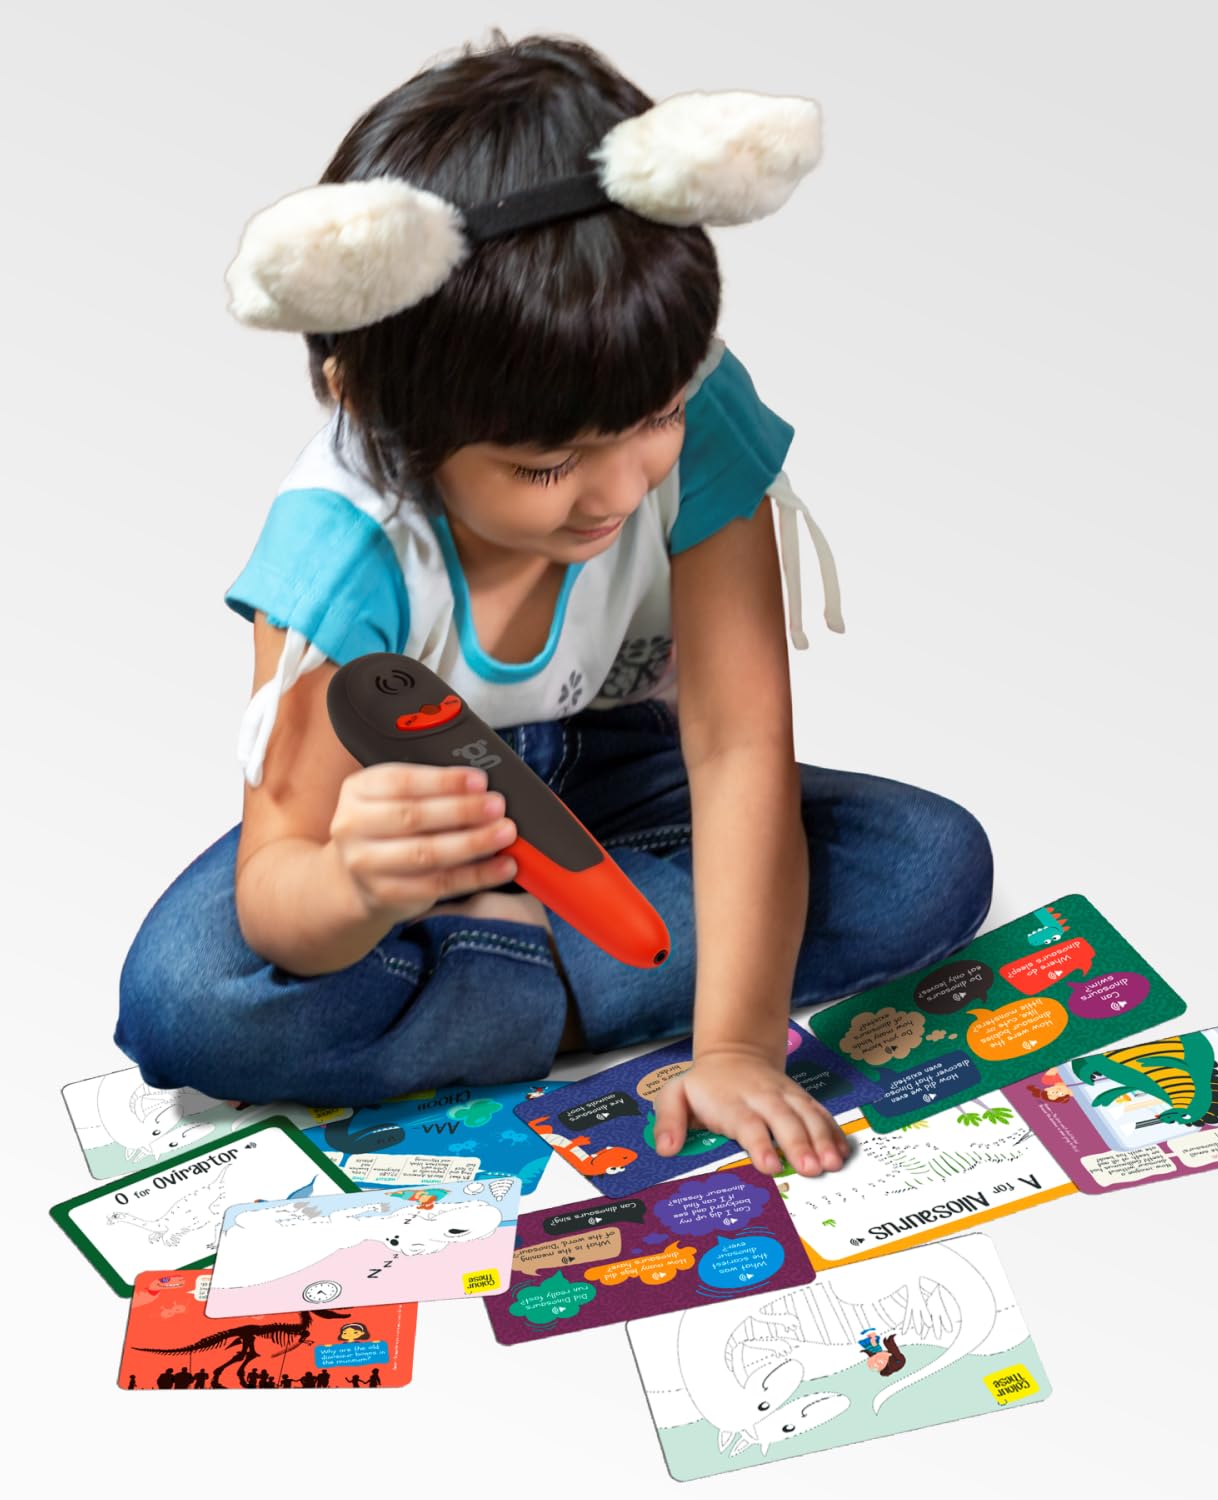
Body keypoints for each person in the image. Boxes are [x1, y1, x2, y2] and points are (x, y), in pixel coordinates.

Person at [114, 29, 993, 1183]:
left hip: (631, 780)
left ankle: (466, 986)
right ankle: (556, 960)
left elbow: (737, 747)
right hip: (424, 816)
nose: (621, 491)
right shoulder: (342, 547)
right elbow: (280, 882)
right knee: (188, 998)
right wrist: (358, 887)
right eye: (546, 467)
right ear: (373, 407)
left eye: (655, 421)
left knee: (929, 863)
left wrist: (734, 1046)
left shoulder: (694, 408)